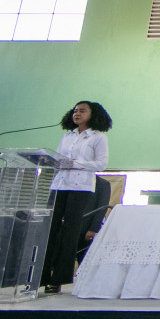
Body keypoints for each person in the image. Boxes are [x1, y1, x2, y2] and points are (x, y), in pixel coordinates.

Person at [45, 100, 111, 292]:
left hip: (80, 187)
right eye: (75, 111)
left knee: (70, 233)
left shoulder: (98, 138)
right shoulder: (67, 136)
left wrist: (75, 163)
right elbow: (58, 159)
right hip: (59, 184)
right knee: (50, 230)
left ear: (93, 115)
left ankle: (59, 278)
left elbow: (101, 164)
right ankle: (41, 277)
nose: (77, 113)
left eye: (82, 111)